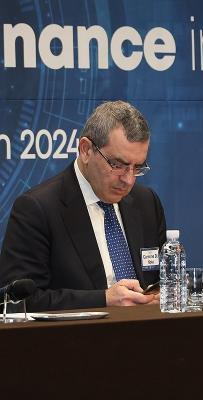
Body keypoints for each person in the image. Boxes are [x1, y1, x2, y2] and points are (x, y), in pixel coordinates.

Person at [0, 101, 166, 311]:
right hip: (76, 340)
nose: (129, 180)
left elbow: (163, 279)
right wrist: (103, 299)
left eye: (137, 167)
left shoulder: (146, 202)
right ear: (86, 150)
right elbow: (17, 301)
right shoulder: (37, 209)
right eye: (118, 165)